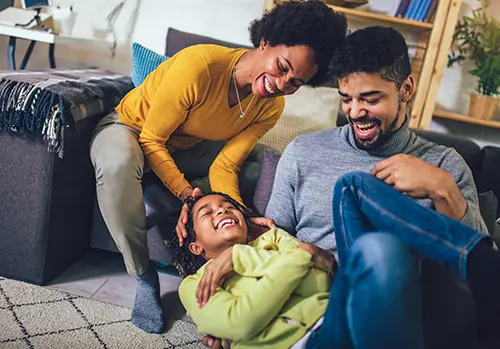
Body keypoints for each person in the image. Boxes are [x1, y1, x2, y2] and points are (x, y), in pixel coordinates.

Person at [90, 0, 347, 333]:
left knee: (249, 172)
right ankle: (143, 275)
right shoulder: (199, 66)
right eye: (282, 67)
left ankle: (165, 201)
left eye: (295, 82)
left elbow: (225, 165)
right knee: (120, 163)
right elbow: (152, 140)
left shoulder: (270, 107)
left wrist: (239, 211)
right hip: (131, 130)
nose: (282, 84)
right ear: (265, 41)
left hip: (186, 149)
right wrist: (188, 196)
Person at [263, 26, 492, 347]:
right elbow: (271, 242)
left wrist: (443, 190)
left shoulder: (443, 164)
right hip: (307, 315)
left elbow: (476, 266)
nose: (356, 112)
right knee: (355, 192)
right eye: (347, 99)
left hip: (384, 315)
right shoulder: (303, 151)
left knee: (381, 249)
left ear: (406, 89)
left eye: (370, 99)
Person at [176, 190, 500, 349]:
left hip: (336, 318)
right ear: (196, 246)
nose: (222, 211)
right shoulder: (193, 285)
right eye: (208, 212)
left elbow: (322, 279)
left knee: (380, 248)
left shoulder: (272, 237)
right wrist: (297, 255)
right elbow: (243, 321)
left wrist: (246, 258)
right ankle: (478, 257)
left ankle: (480, 262)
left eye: (228, 206)